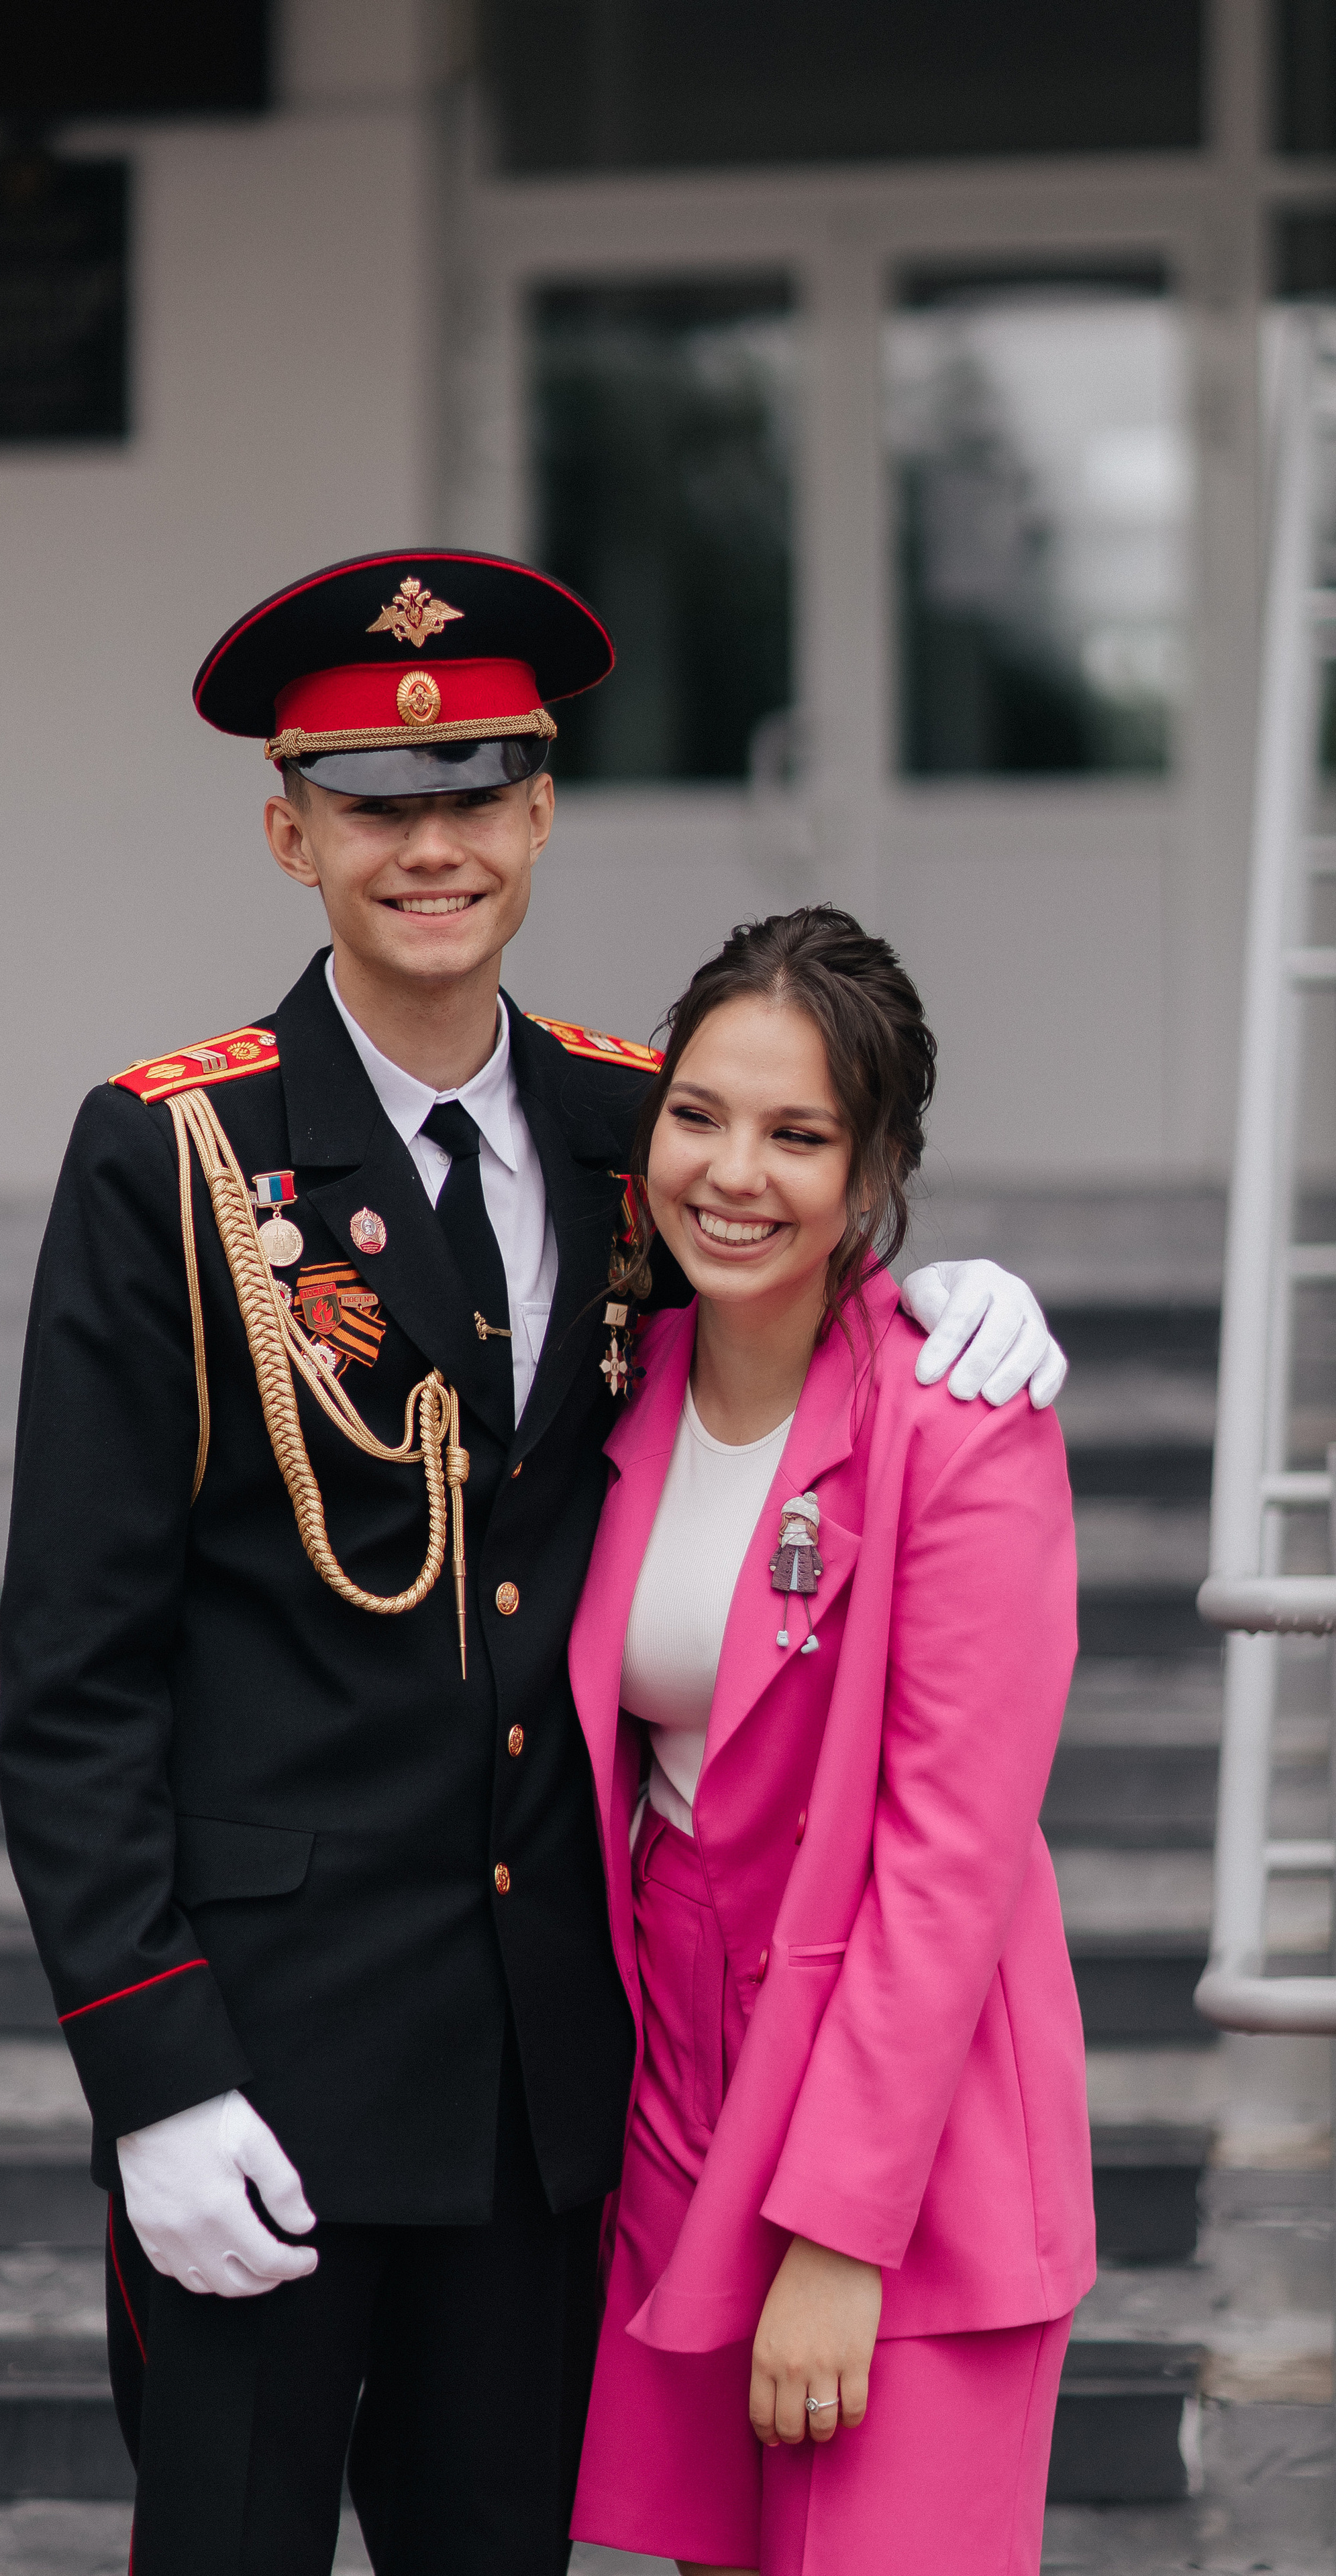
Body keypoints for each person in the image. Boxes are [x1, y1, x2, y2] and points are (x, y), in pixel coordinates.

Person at [0, 551, 1069, 2576]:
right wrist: (153, 2072)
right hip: (270, 2071)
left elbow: (785, 1253)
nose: (433, 847)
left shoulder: (627, 1130)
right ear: (289, 833)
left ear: (543, 810)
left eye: (476, 792)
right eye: (373, 803)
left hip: (540, 2088)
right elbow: (75, 1678)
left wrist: (937, 1297)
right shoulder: (171, 1158)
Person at [566, 910, 1094, 2576]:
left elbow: (948, 1866)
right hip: (680, 2087)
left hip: (904, 2130)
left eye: (796, 1136)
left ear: (871, 1173)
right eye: (698, 1115)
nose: (733, 1174)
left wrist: (839, 2238)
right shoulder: (617, 1383)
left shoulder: (957, 1422)